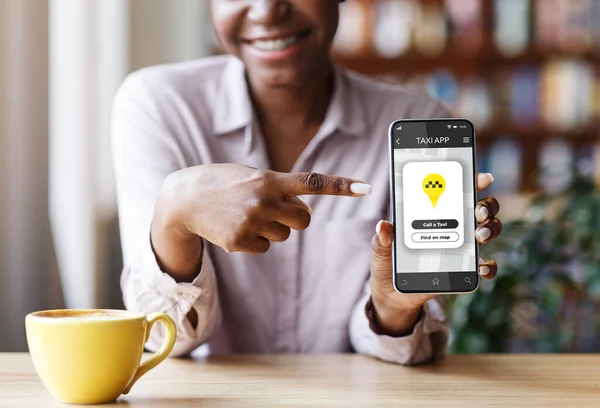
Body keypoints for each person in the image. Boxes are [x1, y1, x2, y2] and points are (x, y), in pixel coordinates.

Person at [111, 0, 502, 365]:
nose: (266, 11)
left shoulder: (417, 121)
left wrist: (393, 305)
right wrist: (174, 216)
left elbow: (405, 353)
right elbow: (169, 341)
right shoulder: (159, 105)